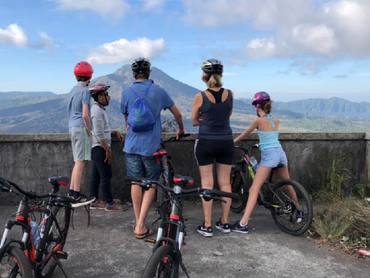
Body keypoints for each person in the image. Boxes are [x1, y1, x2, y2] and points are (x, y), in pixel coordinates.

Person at [121, 57, 185, 239]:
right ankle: (141, 225)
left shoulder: (126, 92)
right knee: (151, 183)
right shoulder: (159, 91)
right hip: (151, 147)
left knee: (136, 182)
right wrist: (181, 129)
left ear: (134, 74)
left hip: (132, 145)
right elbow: (177, 113)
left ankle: (137, 221)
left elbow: (127, 120)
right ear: (149, 73)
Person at [230, 91, 300, 234]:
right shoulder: (276, 119)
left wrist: (232, 142)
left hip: (270, 156)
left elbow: (244, 135)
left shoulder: (258, 121)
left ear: (257, 106)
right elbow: (270, 138)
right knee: (287, 183)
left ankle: (243, 224)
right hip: (281, 154)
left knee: (254, 189)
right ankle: (299, 212)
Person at [191, 59, 234, 237]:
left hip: (206, 141)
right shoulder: (230, 94)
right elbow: (227, 115)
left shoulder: (200, 96)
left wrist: (203, 119)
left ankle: (207, 225)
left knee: (207, 183)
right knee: (225, 182)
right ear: (221, 75)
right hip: (226, 141)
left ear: (204, 76)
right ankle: (225, 222)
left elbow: (194, 121)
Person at [88, 83, 127, 211]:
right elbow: (98, 134)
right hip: (100, 148)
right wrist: (108, 150)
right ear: (100, 97)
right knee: (106, 175)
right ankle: (109, 204)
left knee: (96, 175)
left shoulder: (98, 110)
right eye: (106, 95)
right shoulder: (97, 111)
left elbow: (102, 131)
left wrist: (114, 132)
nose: (109, 97)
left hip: (97, 148)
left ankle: (93, 200)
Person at [67, 61, 94, 202]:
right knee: (81, 162)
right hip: (81, 127)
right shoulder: (85, 91)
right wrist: (89, 130)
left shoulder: (73, 90)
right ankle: (76, 194)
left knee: (77, 161)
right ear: (89, 76)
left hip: (72, 127)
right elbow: (85, 114)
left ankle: (72, 191)